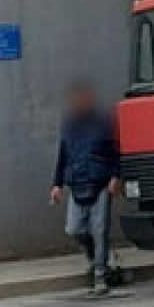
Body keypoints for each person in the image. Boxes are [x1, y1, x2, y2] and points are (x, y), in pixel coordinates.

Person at [50, 80, 121, 295]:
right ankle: (93, 254)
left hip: (100, 183)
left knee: (99, 229)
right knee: (74, 229)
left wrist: (116, 177)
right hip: (77, 183)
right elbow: (63, 154)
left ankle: (100, 273)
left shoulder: (102, 121)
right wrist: (57, 184)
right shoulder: (69, 124)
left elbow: (116, 151)